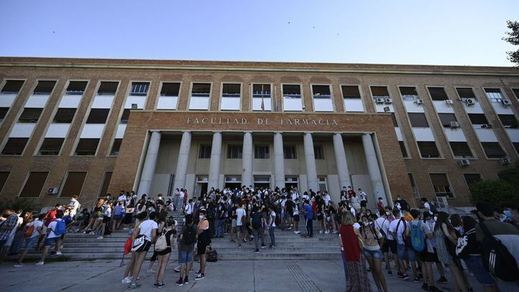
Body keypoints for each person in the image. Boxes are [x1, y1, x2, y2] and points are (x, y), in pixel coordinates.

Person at [475, 202, 519, 292]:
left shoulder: (481, 226)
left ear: (479, 213)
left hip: (504, 264)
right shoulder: (510, 225)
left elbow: (483, 246)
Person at [457, 215, 497, 292]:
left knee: (486, 284)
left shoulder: (466, 235)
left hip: (475, 260)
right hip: (490, 257)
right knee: (493, 282)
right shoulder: (481, 230)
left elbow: (461, 251)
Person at [434, 211, 468, 292]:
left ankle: (456, 289)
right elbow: (447, 235)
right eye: (447, 218)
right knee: (456, 271)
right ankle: (464, 289)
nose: (448, 220)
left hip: (440, 249)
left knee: (453, 271)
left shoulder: (436, 226)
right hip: (447, 249)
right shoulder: (443, 224)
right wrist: (456, 243)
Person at [125, 212, 158, 289]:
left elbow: (135, 233)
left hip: (138, 241)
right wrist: (152, 242)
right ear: (155, 217)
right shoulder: (154, 223)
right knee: (139, 262)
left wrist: (134, 242)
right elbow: (153, 235)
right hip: (146, 241)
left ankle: (132, 278)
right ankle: (133, 282)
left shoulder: (143, 222)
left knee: (136, 261)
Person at [339, 210, 370, 292]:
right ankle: (363, 289)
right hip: (357, 253)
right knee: (361, 274)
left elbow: (341, 242)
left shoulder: (342, 229)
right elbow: (362, 241)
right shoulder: (354, 228)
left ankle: (353, 288)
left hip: (348, 254)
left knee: (352, 275)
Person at [358, 214, 388, 292]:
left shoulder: (373, 228)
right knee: (373, 269)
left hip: (376, 249)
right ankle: (379, 288)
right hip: (367, 250)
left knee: (378, 270)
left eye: (366, 219)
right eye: (363, 219)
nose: (365, 221)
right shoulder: (360, 229)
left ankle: (385, 289)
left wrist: (380, 247)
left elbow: (381, 237)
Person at [154, 217, 176, 288]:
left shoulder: (163, 230)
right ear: (172, 224)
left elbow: (158, 232)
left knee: (159, 265)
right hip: (167, 248)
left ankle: (156, 281)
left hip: (160, 248)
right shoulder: (172, 231)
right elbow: (172, 242)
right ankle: (160, 282)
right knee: (163, 265)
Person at [177, 215, 197, 286]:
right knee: (188, 262)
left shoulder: (184, 227)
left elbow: (181, 237)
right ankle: (186, 278)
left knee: (183, 263)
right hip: (191, 246)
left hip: (183, 246)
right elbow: (196, 237)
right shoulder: (194, 227)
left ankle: (181, 278)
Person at [196, 209, 211, 280]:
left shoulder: (205, 221)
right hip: (200, 240)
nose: (200, 215)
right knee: (200, 257)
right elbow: (197, 228)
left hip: (204, 241)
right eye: (200, 214)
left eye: (201, 214)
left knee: (203, 257)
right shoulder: (201, 221)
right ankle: (200, 270)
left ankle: (202, 273)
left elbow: (199, 231)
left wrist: (198, 229)